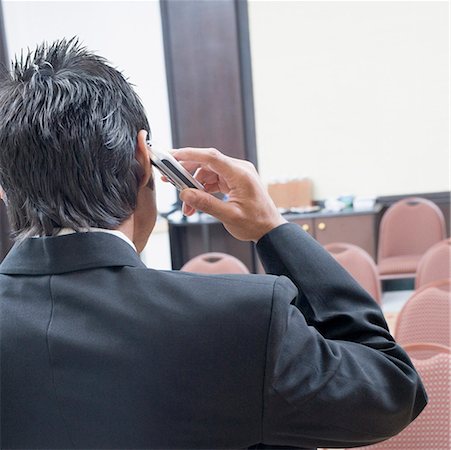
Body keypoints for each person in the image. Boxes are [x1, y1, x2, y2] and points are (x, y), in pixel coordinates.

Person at [0, 38, 426, 450]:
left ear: (5, 188)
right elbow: (392, 389)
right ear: (143, 161)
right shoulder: (241, 319)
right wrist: (271, 228)